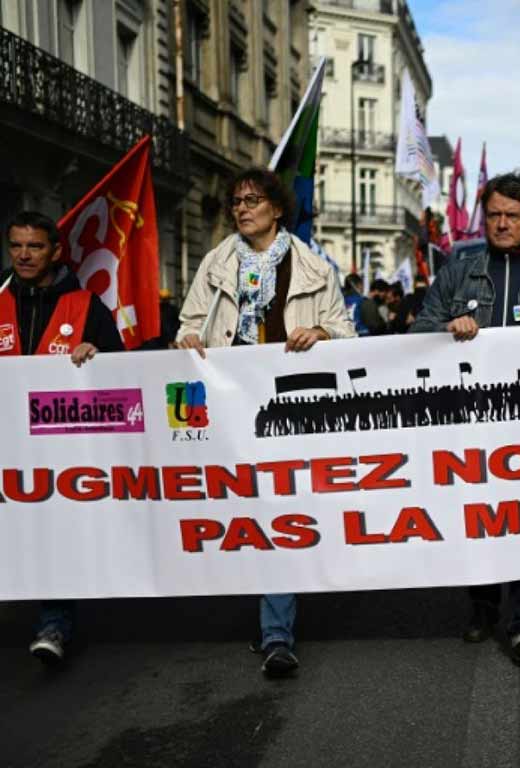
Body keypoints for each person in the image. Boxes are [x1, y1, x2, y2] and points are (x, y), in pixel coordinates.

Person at [176, 168, 355, 677]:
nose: (242, 208)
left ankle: (277, 633)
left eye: (253, 200)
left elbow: (346, 332)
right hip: (229, 407)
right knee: (238, 508)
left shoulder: (313, 268)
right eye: (237, 201)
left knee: (278, 509)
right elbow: (190, 324)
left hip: (287, 410)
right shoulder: (217, 263)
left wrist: (321, 332)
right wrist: (189, 339)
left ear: (277, 209)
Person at [411, 170, 520, 677]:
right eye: (494, 215)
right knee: (481, 521)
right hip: (471, 424)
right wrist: (447, 327)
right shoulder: (459, 273)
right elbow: (418, 330)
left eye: (513, 215)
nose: (503, 224)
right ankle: (483, 606)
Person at [2, 211, 124, 664]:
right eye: (16, 245)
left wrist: (98, 354)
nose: (24, 255)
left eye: (34, 246)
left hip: (57, 445)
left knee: (53, 529)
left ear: (55, 251)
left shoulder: (86, 305)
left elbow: (122, 370)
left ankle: (54, 623)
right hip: (4, 439)